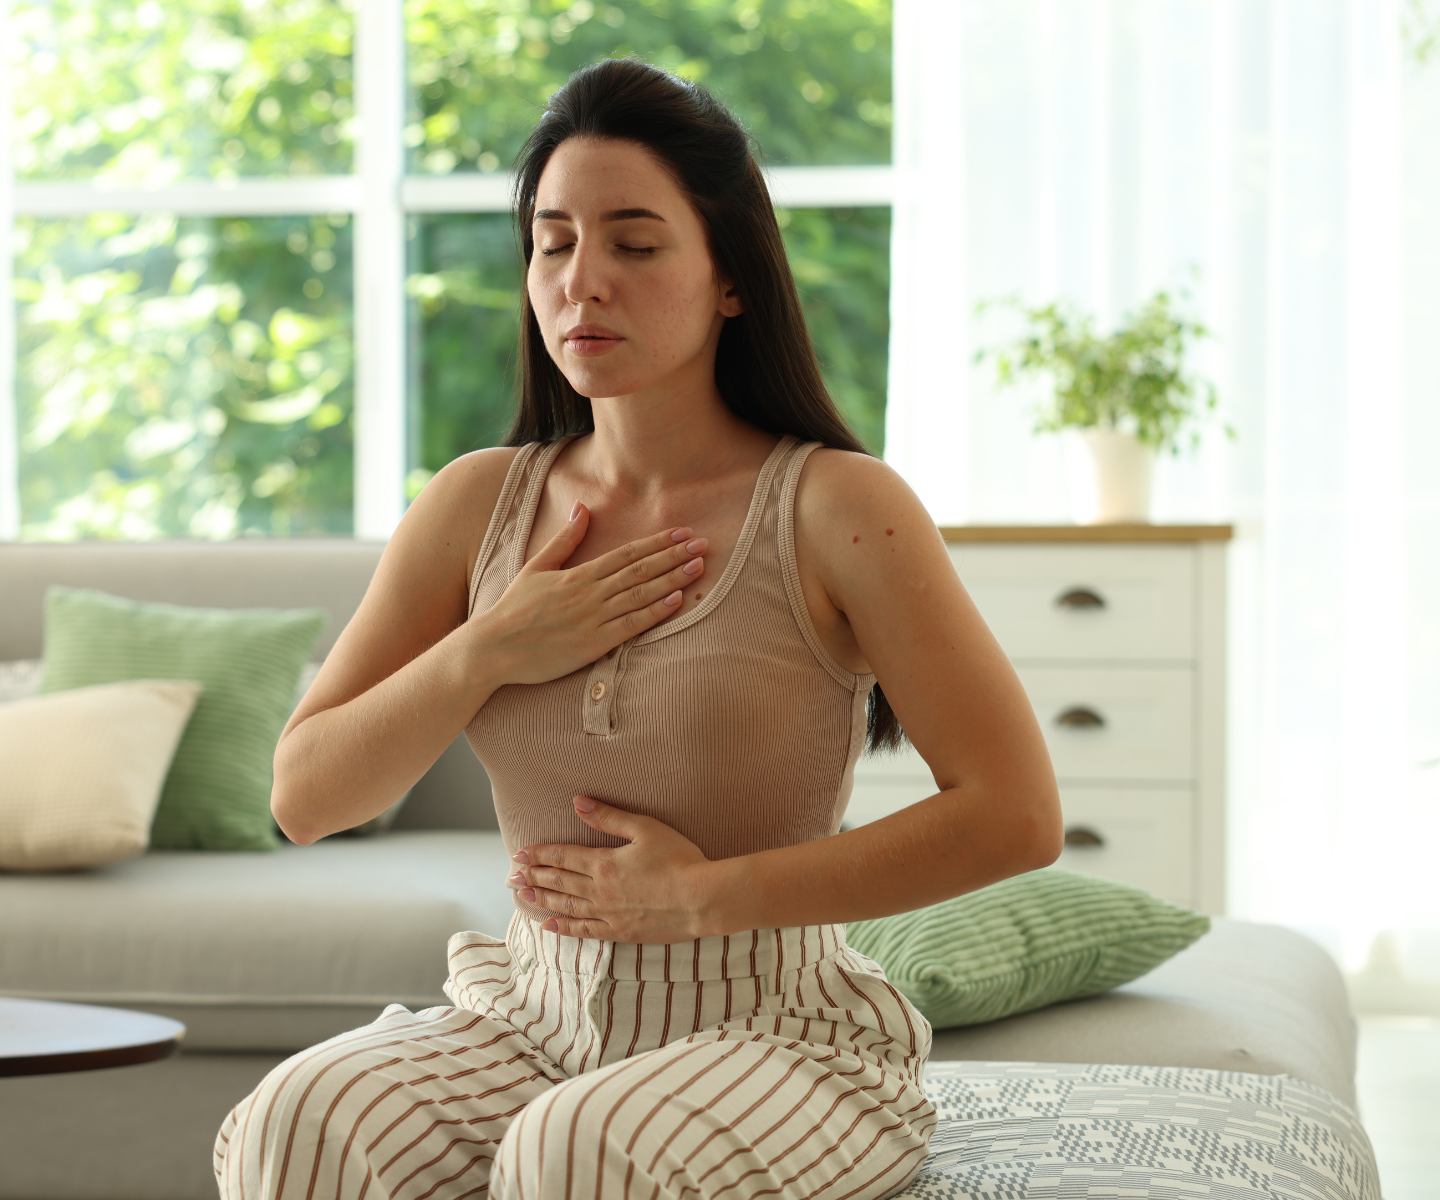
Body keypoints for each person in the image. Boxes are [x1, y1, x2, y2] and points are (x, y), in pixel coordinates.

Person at [215, 57, 1061, 1200]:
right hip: (528, 1023)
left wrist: (708, 898)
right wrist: (489, 650)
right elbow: (305, 798)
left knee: (579, 1147)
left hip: (780, 1037)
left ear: (729, 280)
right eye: (553, 242)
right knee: (301, 1115)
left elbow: (1016, 815)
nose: (583, 281)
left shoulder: (840, 509)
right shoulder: (477, 506)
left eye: (635, 242)